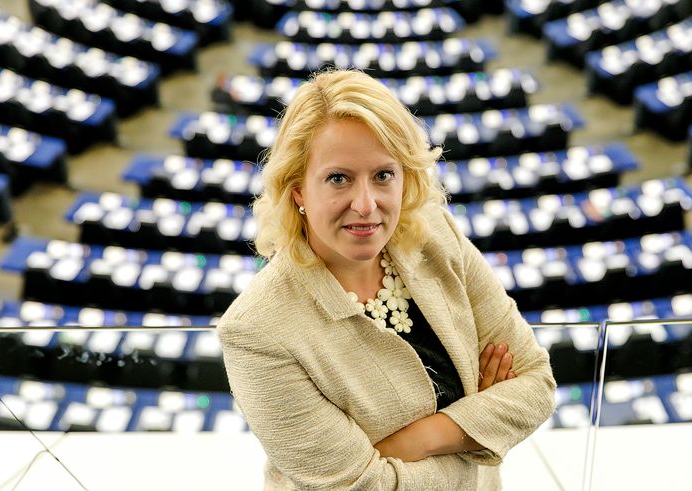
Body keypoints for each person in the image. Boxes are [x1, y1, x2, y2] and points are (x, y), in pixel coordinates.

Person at [217, 69, 556, 490]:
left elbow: (536, 384)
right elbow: (360, 487)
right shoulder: (256, 331)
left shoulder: (436, 234)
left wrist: (421, 438)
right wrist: (475, 429)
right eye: (338, 178)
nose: (366, 205)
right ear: (298, 190)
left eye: (383, 175)